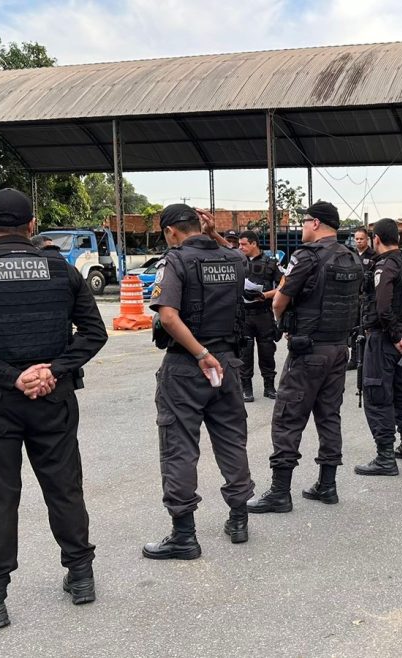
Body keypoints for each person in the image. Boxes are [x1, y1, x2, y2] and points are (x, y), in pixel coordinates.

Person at [0, 188, 107, 629]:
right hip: (54, 397)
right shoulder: (63, 270)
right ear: (33, 225)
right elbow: (94, 333)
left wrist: (13, 377)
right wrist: (52, 369)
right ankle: (81, 576)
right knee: (64, 485)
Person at [142, 205, 253, 560]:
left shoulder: (175, 260)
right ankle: (239, 519)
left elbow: (168, 316)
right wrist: (213, 233)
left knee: (179, 445)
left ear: (172, 230)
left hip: (188, 365)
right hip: (229, 362)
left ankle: (184, 535)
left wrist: (200, 353)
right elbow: (236, 257)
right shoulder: (234, 259)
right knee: (231, 438)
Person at [246, 201, 362, 512]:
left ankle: (280, 492)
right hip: (339, 348)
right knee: (329, 416)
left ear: (315, 223)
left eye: (304, 221)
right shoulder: (352, 257)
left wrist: (285, 321)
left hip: (308, 350)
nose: (301, 228)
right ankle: (327, 485)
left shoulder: (307, 257)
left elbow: (279, 300)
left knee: (287, 416)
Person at [356, 218, 402, 474]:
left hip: (385, 338)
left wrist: (393, 336)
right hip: (400, 334)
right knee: (401, 391)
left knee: (377, 394)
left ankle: (385, 457)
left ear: (377, 238)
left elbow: (382, 306)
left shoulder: (385, 264)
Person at [237, 230, 282, 401]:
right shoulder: (238, 262)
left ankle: (269, 387)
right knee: (245, 352)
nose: (240, 247)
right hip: (245, 315)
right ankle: (246, 388)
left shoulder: (270, 263)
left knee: (267, 351)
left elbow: (284, 284)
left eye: (244, 244)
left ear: (254, 244)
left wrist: (266, 295)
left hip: (263, 313)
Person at [347, 227, 376, 372]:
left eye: (361, 239)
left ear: (367, 239)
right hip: (353, 298)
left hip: (367, 298)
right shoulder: (351, 255)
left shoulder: (374, 256)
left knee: (366, 328)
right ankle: (353, 359)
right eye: (356, 239)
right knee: (353, 328)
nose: (358, 241)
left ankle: (366, 359)